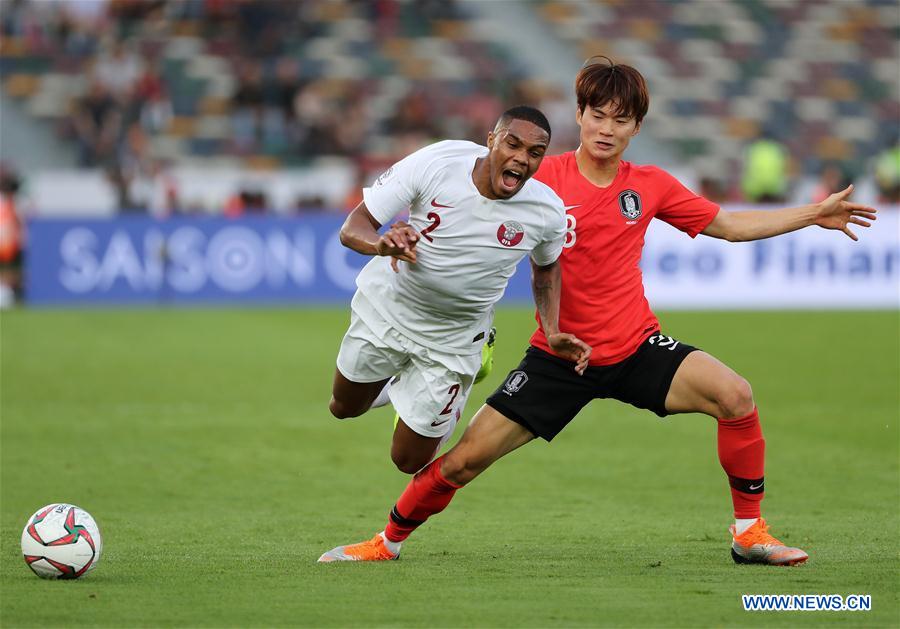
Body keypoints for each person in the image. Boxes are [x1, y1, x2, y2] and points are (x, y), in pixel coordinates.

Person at [319, 58, 877, 566]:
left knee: (736, 395)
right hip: (558, 357)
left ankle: (749, 532)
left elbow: (728, 227)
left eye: (622, 119)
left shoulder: (652, 186)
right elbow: (486, 207)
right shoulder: (539, 178)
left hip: (636, 347)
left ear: (637, 128)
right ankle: (385, 543)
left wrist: (811, 214)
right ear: (579, 116)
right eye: (598, 114)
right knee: (463, 462)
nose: (607, 128)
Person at [327, 105, 591, 482]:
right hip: (388, 310)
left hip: (454, 340)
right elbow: (354, 226)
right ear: (491, 141)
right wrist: (382, 245)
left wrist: (551, 329)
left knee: (407, 461)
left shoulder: (546, 211)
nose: (521, 158)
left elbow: (546, 267)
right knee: (343, 408)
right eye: (512, 144)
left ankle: (434, 388)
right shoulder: (438, 162)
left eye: (534, 153)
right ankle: (401, 386)